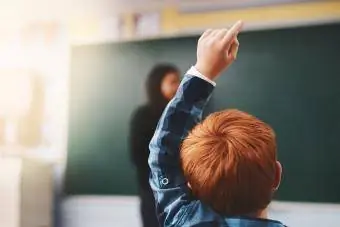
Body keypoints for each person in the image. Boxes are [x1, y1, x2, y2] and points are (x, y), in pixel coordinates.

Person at [148, 21, 285, 227]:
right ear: (276, 175)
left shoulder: (183, 221)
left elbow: (163, 153)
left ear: (191, 185)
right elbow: (163, 156)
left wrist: (203, 72)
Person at [129, 64, 180, 227]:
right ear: (157, 84)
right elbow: (137, 156)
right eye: (172, 82)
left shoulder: (182, 114)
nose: (178, 87)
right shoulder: (143, 116)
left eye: (178, 81)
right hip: (153, 193)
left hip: (181, 193)